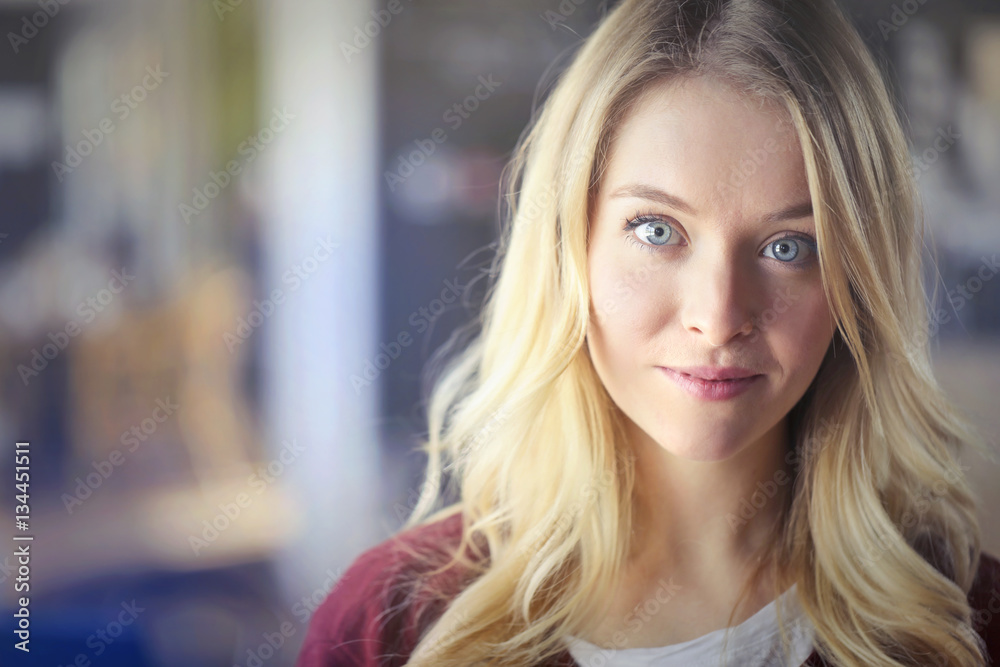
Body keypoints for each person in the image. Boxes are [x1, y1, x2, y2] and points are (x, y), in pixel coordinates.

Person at [297, 0, 1000, 665]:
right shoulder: (386, 625)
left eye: (789, 246)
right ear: (571, 244)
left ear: (857, 278)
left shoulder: (965, 624)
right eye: (657, 230)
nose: (719, 316)